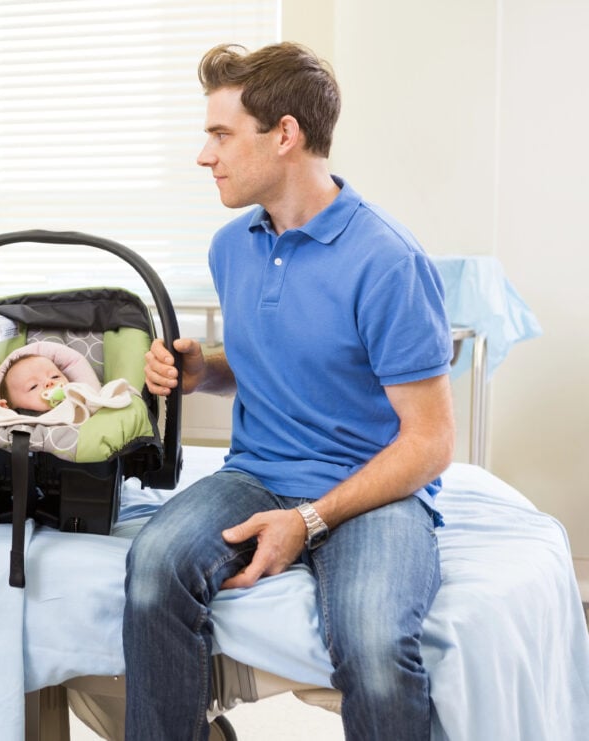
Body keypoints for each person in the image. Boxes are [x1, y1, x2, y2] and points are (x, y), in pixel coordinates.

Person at [123, 42, 455, 740]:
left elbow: (429, 441)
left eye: (220, 134)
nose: (203, 155)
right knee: (153, 568)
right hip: (257, 474)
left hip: (373, 491)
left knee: (373, 643)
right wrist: (202, 369)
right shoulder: (231, 245)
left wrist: (308, 521)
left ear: (285, 135)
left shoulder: (387, 260)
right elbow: (277, 354)